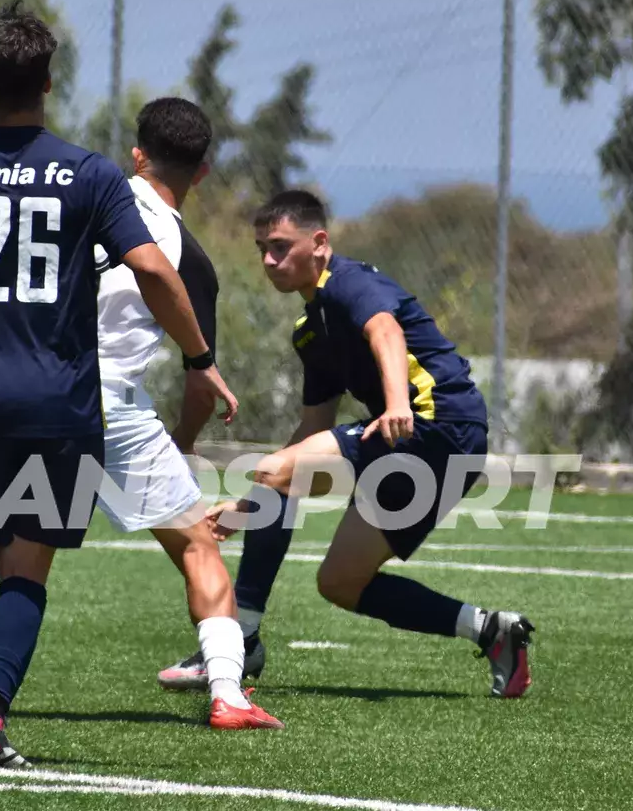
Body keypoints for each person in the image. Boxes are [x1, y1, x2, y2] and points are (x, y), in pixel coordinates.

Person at [0, 2, 236, 769]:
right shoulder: (89, 174)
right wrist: (199, 356)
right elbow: (152, 270)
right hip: (63, 404)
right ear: (48, 83)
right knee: (27, 570)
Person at [157, 189, 535, 699]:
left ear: (319, 242)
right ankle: (491, 630)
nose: (269, 260)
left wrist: (397, 403)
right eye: (262, 249)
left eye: (280, 247)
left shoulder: (348, 282)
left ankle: (239, 641)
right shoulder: (310, 332)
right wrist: (251, 504)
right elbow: (313, 426)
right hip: (429, 440)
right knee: (341, 581)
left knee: (275, 472)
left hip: (436, 424)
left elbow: (385, 331)